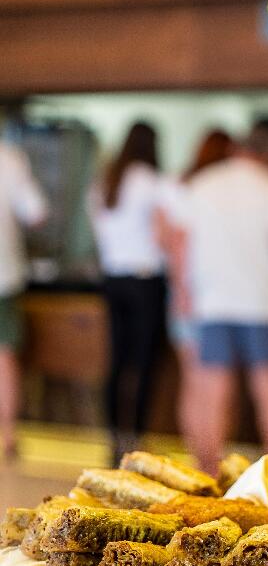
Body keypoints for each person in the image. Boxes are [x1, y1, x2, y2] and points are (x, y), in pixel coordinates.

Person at [180, 132, 268, 473]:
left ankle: (210, 471)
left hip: (213, 301)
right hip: (264, 303)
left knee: (216, 389)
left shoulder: (201, 185)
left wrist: (184, 292)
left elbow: (181, 242)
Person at [90, 122, 168, 463]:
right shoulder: (151, 181)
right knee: (144, 363)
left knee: (117, 362)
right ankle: (135, 438)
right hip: (145, 281)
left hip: (113, 280)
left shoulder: (105, 182)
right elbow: (165, 234)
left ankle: (113, 438)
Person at [156, 129, 234, 446]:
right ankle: (212, 458)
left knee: (192, 383)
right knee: (216, 385)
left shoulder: (177, 186)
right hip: (209, 298)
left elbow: (164, 240)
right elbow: (178, 243)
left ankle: (198, 454)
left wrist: (179, 291)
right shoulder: (214, 192)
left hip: (182, 297)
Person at [0, 141, 47, 459]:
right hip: (3, 274)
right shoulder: (9, 158)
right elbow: (36, 213)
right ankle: (8, 435)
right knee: (4, 355)